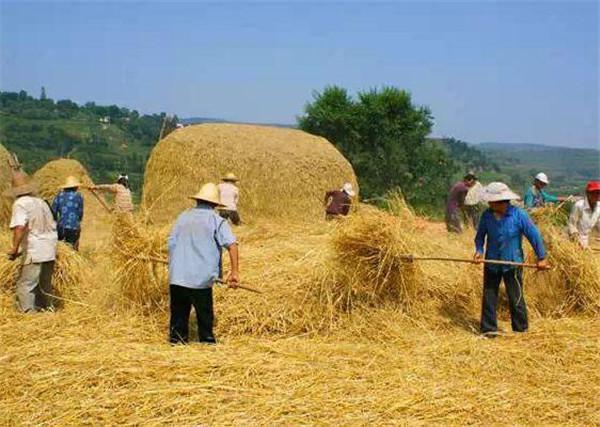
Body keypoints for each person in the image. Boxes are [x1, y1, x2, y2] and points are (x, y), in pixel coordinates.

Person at [168, 182, 239, 344]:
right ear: (215, 204)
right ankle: (207, 345)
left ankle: (176, 350)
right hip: (201, 279)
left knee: (177, 325)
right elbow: (232, 245)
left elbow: (171, 243)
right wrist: (234, 273)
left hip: (177, 278)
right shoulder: (217, 220)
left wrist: (176, 264)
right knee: (205, 322)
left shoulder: (182, 217)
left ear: (197, 200)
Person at [474, 182, 549, 336]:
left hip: (512, 263)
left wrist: (542, 257)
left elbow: (534, 235)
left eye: (492, 201)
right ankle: (489, 329)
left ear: (501, 202)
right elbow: (480, 237)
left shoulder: (518, 215)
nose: (489, 203)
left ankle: (521, 329)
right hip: (492, 262)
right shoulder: (487, 216)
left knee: (516, 296)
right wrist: (479, 251)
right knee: (489, 295)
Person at [5, 171, 58, 312]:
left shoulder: (20, 204)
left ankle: (28, 314)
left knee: (26, 284)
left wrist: (14, 249)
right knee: (45, 284)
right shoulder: (41, 202)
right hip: (50, 247)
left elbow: (20, 227)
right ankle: (48, 309)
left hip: (35, 249)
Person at [52, 175, 84, 250]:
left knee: (60, 248)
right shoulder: (79, 196)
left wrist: (56, 223)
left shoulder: (59, 195)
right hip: (74, 226)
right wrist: (77, 221)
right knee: (73, 249)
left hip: (61, 226)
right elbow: (80, 213)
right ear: (76, 187)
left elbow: (53, 212)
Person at [567, 180, 600, 249]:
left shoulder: (598, 207)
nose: (597, 195)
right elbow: (571, 224)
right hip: (575, 241)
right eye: (594, 193)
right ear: (588, 194)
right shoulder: (579, 206)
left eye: (598, 193)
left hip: (586, 240)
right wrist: (576, 239)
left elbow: (598, 223)